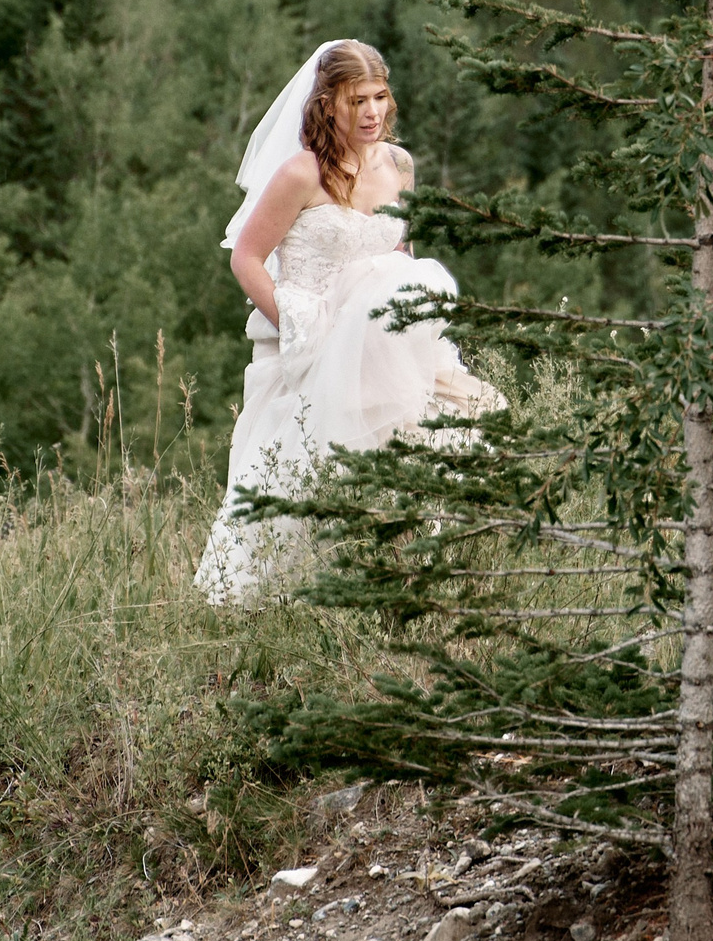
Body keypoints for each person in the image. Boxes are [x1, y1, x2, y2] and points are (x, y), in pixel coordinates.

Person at [193, 39, 500, 605]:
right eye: (357, 100)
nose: (372, 113)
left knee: (442, 446)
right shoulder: (300, 175)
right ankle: (302, 607)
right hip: (314, 343)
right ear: (328, 102)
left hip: (383, 346)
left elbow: (400, 255)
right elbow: (246, 257)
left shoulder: (399, 166)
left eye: (380, 97)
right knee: (306, 484)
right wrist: (295, 323)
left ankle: (407, 593)